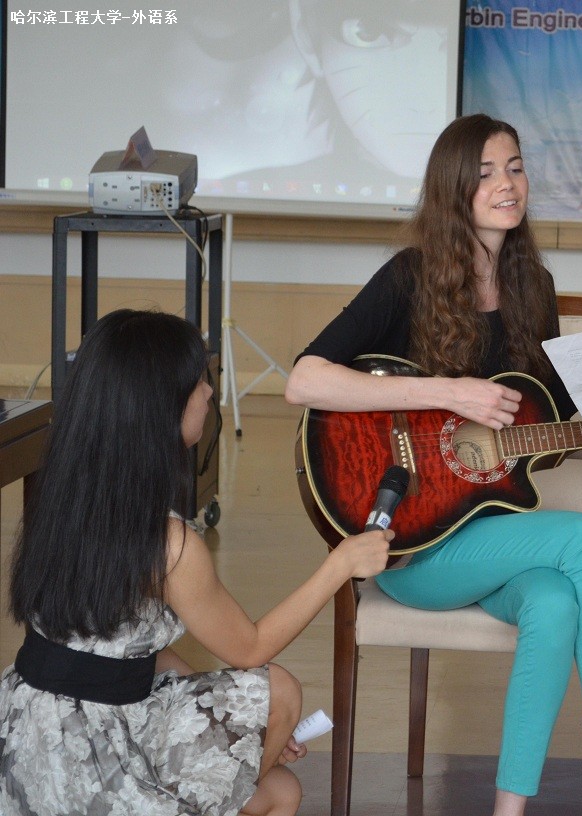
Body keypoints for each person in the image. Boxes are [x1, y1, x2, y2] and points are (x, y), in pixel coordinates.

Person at [284, 112, 582, 816]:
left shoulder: (532, 290)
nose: (507, 184)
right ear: (452, 187)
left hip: (489, 536)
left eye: (515, 167)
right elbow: (304, 380)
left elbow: (557, 433)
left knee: (553, 601)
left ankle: (509, 809)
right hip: (410, 546)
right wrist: (446, 391)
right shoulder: (408, 278)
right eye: (486, 173)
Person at [0, 309, 391, 816]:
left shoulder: (63, 499)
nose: (209, 392)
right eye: (198, 381)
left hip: (30, 730)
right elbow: (250, 648)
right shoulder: (168, 544)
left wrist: (237, 729)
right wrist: (340, 564)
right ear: (161, 407)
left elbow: (122, 649)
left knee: (281, 793)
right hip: (91, 755)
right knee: (278, 692)